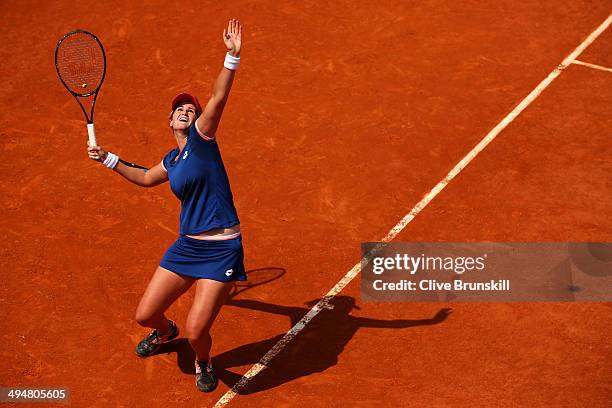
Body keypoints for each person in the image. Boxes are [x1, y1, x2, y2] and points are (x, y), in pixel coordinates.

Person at [87, 19, 245, 392]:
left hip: (222, 249)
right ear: (170, 120)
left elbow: (218, 97)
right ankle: (165, 332)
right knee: (145, 315)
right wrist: (107, 157)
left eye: (191, 108)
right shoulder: (172, 161)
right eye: (179, 109)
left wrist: (231, 57)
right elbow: (144, 177)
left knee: (197, 332)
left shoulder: (203, 139)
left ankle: (204, 361)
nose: (186, 110)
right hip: (187, 247)